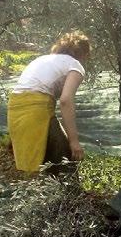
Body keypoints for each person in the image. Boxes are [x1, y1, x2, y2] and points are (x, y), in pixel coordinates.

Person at [7, 31, 90, 173]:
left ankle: (45, 192)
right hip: (36, 110)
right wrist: (74, 141)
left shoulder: (43, 59)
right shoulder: (75, 65)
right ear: (83, 54)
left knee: (37, 163)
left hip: (14, 109)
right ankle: (68, 194)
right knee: (66, 157)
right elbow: (65, 101)